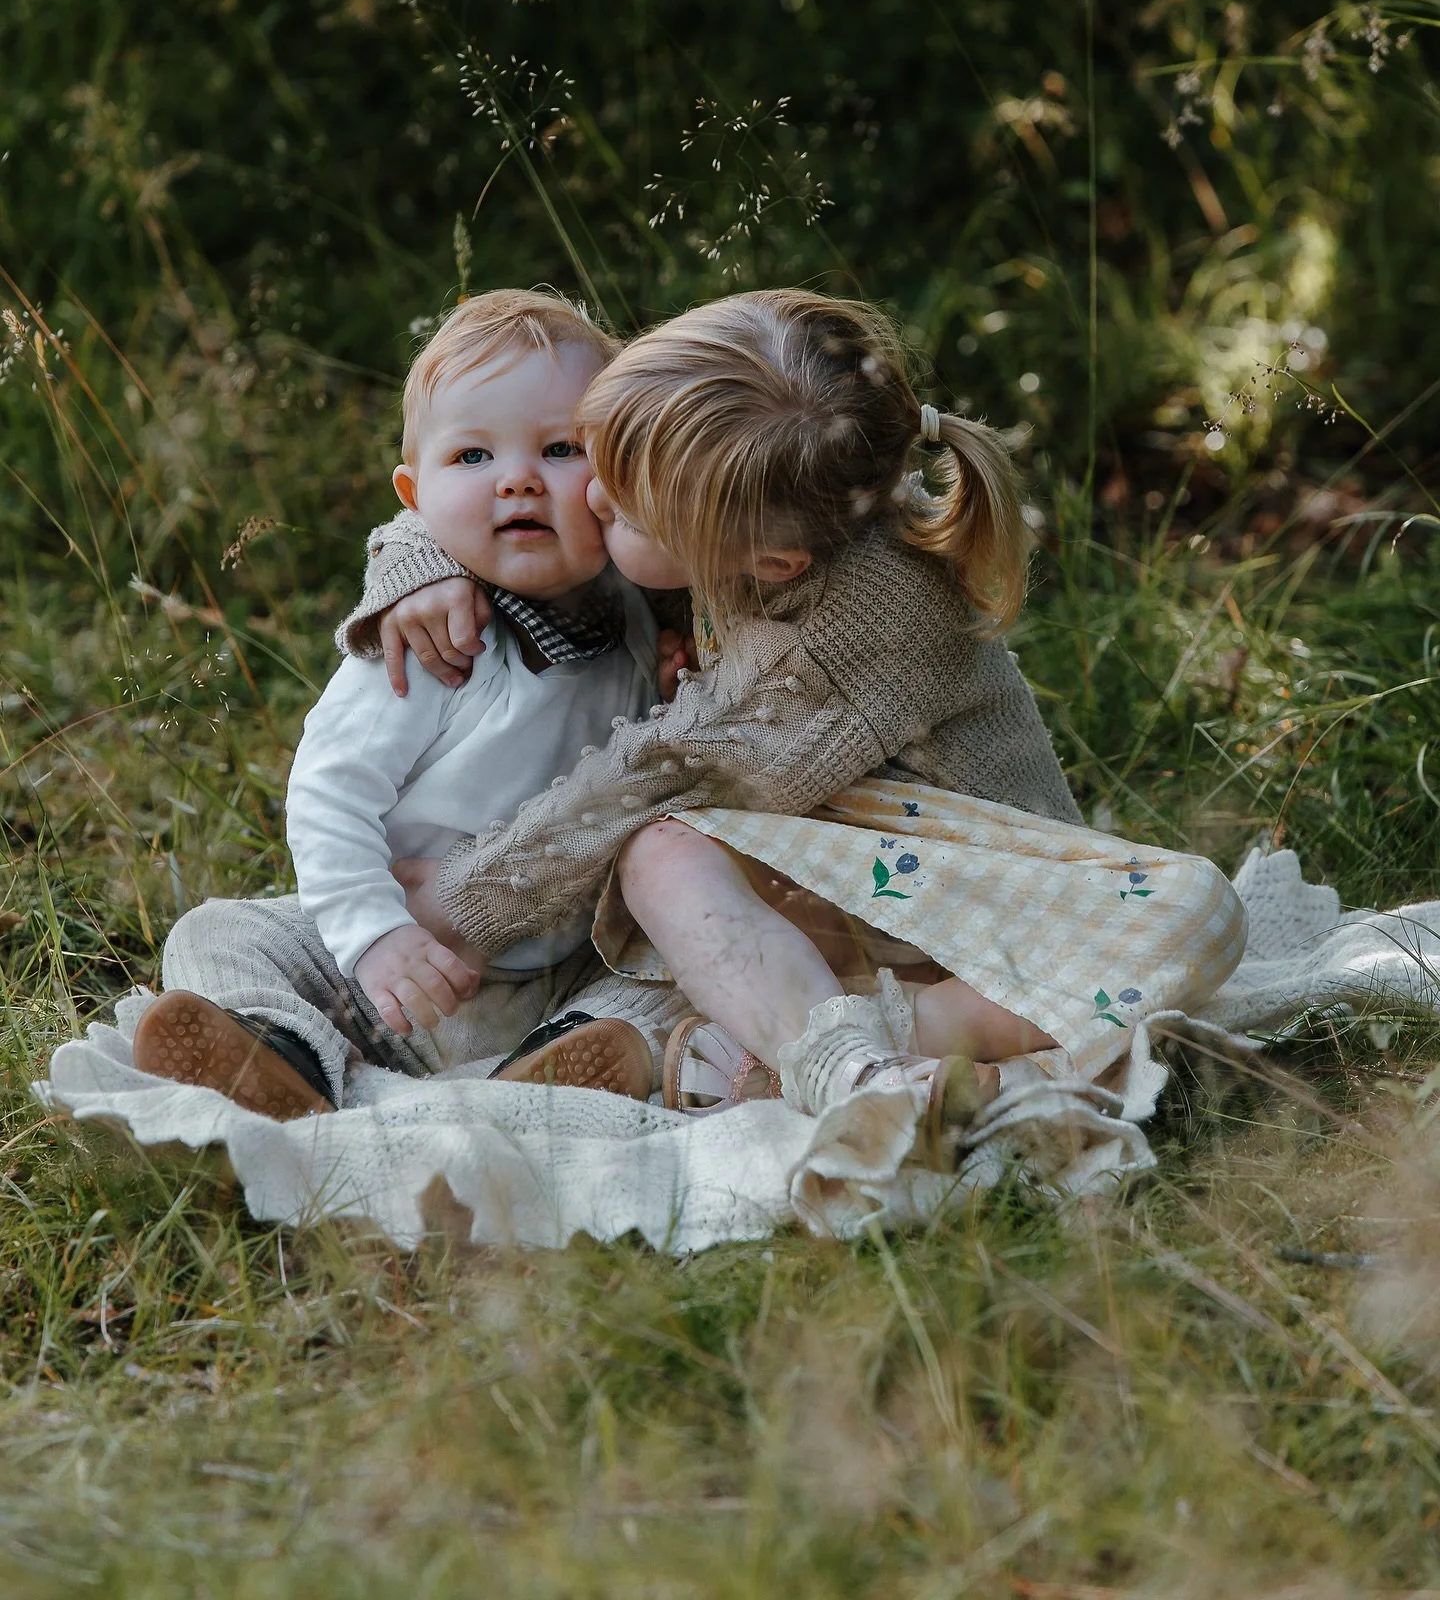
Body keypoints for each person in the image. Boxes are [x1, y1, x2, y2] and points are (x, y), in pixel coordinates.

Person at [342, 288, 1247, 1166]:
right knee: (670, 884)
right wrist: (419, 557)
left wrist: (466, 901)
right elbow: (485, 481)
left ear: (767, 564)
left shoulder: (845, 629)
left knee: (658, 849)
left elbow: (660, 771)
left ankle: (851, 1055)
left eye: (618, 509)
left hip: (970, 913)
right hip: (839, 875)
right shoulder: (768, 493)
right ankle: (740, 1039)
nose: (586, 499)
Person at [131, 290, 689, 1120]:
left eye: (561, 449)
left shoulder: (640, 622)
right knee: (215, 932)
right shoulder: (432, 638)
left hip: (561, 966)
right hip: (390, 968)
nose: (518, 479)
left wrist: (678, 682)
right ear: (414, 495)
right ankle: (284, 1053)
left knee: (681, 966)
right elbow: (330, 793)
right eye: (472, 455)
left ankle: (563, 1060)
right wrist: (376, 936)